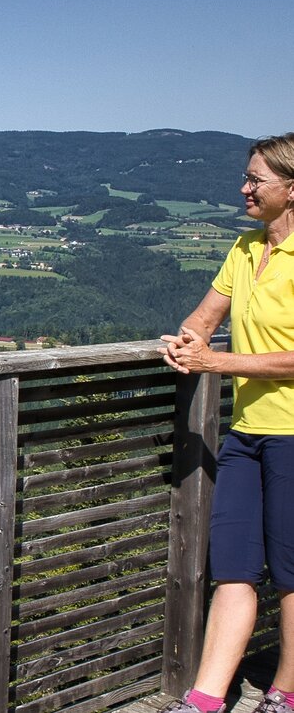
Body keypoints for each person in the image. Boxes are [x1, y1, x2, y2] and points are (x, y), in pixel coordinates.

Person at [157, 132, 294, 713]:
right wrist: (184, 344)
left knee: (290, 572)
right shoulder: (244, 249)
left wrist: (217, 361)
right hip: (244, 432)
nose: (244, 188)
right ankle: (206, 699)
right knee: (233, 564)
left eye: (255, 180)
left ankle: (284, 690)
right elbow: (204, 318)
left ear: (291, 189)